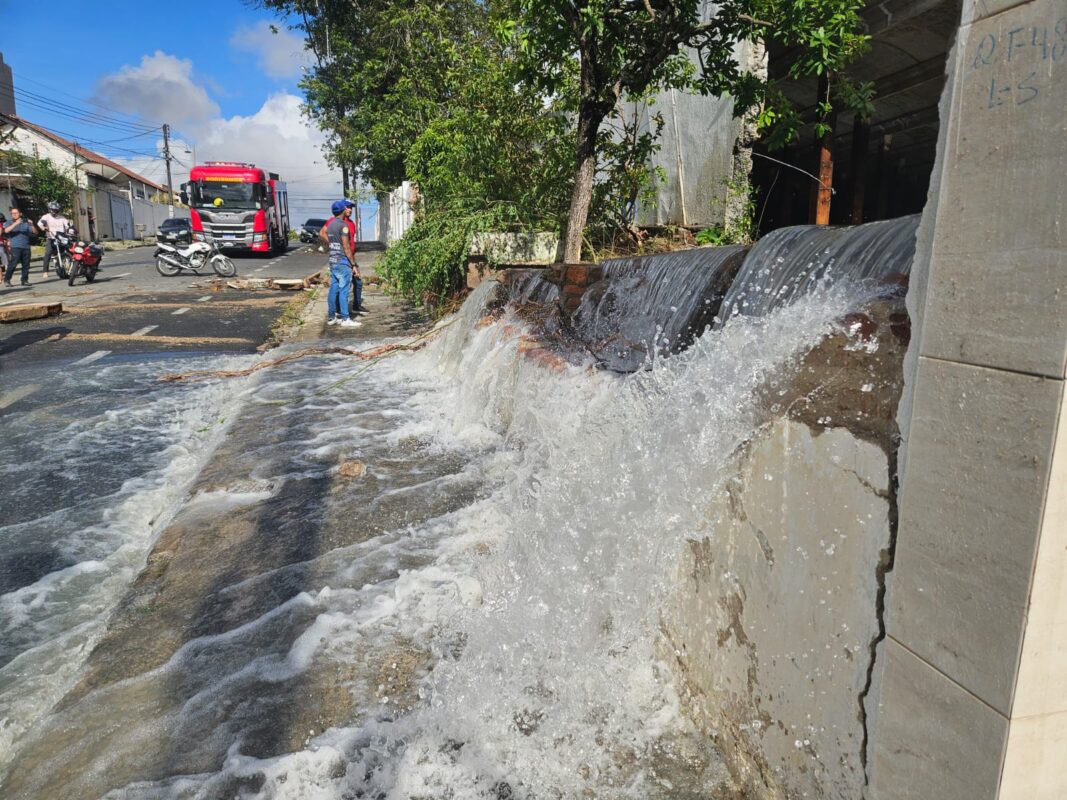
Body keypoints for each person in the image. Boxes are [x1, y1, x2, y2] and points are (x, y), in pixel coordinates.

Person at [320, 199, 361, 328]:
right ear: (343, 209)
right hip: (343, 261)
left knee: (333, 289)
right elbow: (347, 247)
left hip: (332, 260)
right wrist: (353, 264)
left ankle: (332, 317)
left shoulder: (331, 225)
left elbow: (328, 239)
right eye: (347, 208)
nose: (349, 210)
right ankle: (345, 318)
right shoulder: (343, 226)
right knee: (344, 290)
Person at [37, 201, 71, 278]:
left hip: (61, 238)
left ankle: (71, 267)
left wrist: (70, 230)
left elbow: (67, 225)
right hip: (51, 238)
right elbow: (40, 223)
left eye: (56, 210)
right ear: (49, 209)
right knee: (48, 253)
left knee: (68, 251)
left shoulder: (62, 218)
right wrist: (44, 227)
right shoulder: (46, 217)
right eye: (53, 209)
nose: (54, 211)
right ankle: (45, 271)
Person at [343, 210, 367, 315]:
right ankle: (340, 310)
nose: (350, 210)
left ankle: (357, 305)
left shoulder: (351, 223)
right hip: (343, 258)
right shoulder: (337, 222)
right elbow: (323, 232)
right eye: (347, 207)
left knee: (358, 282)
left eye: (351, 207)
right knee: (344, 285)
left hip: (351, 256)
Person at [3, 207, 34, 287]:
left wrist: (32, 224)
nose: (14, 215)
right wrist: (16, 223)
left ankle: (24, 280)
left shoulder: (25, 222)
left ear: (20, 214)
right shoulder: (9, 222)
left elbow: (35, 232)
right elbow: (6, 230)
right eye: (12, 213)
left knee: (26, 265)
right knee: (13, 264)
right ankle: (7, 279)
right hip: (15, 246)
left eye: (16, 213)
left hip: (26, 246)